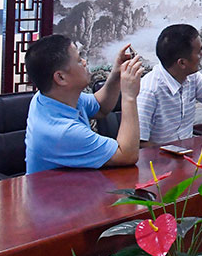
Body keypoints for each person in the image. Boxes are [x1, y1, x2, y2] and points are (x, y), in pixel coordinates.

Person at [24, 34, 143, 173]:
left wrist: (116, 73)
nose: (85, 62)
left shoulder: (50, 97)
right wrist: (129, 96)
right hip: (58, 194)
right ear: (61, 77)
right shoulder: (63, 132)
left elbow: (101, 107)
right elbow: (127, 154)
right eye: (79, 60)